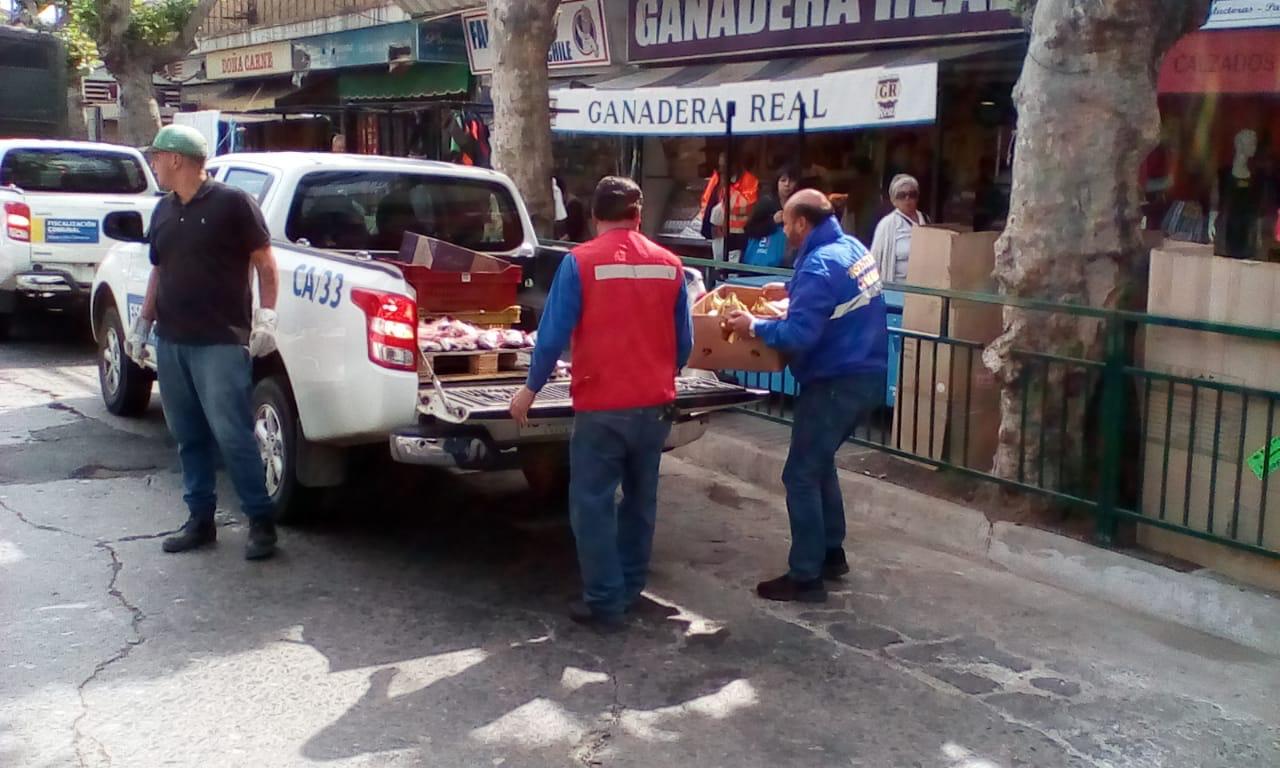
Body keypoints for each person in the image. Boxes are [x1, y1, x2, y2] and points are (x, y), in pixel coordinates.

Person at [509, 176, 692, 632]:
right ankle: (630, 589)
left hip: (602, 406)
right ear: (639, 213)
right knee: (640, 501)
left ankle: (605, 601)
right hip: (653, 406)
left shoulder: (580, 263)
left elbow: (551, 336)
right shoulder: (670, 265)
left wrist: (530, 390)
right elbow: (684, 345)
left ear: (594, 217)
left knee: (592, 503)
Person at [725, 189, 888, 603]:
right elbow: (828, 296)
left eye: (786, 221)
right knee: (819, 465)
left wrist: (754, 326)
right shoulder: (849, 247)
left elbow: (798, 335)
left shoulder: (818, 265)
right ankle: (831, 553)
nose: (782, 227)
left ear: (802, 223)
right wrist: (789, 290)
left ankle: (806, 575)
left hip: (837, 381)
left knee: (799, 474)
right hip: (864, 373)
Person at [129, 125, 282, 561]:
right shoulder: (162, 210)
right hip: (173, 339)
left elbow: (265, 264)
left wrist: (266, 316)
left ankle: (260, 521)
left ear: (176, 159)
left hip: (220, 339)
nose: (154, 165)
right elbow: (160, 270)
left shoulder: (233, 204)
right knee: (187, 435)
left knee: (232, 434)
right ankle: (200, 519)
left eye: (156, 157)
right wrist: (144, 323)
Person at [869, 174, 928, 285]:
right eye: (902, 195)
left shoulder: (926, 219)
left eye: (912, 194)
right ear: (893, 200)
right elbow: (874, 260)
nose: (908, 199)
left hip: (922, 290)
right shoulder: (886, 224)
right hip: (896, 289)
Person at [699, 153, 759, 255]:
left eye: (725, 166)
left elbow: (747, 204)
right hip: (718, 231)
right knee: (719, 262)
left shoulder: (749, 180)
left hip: (740, 234)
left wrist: (728, 187)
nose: (722, 170)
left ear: (735, 165)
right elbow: (707, 199)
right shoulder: (718, 177)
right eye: (720, 166)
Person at [742, 164, 801, 268]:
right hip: (764, 261)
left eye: (791, 181)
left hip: (789, 260)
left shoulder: (798, 204)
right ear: (777, 183)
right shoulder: (767, 202)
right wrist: (773, 221)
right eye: (783, 180)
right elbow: (750, 229)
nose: (787, 184)